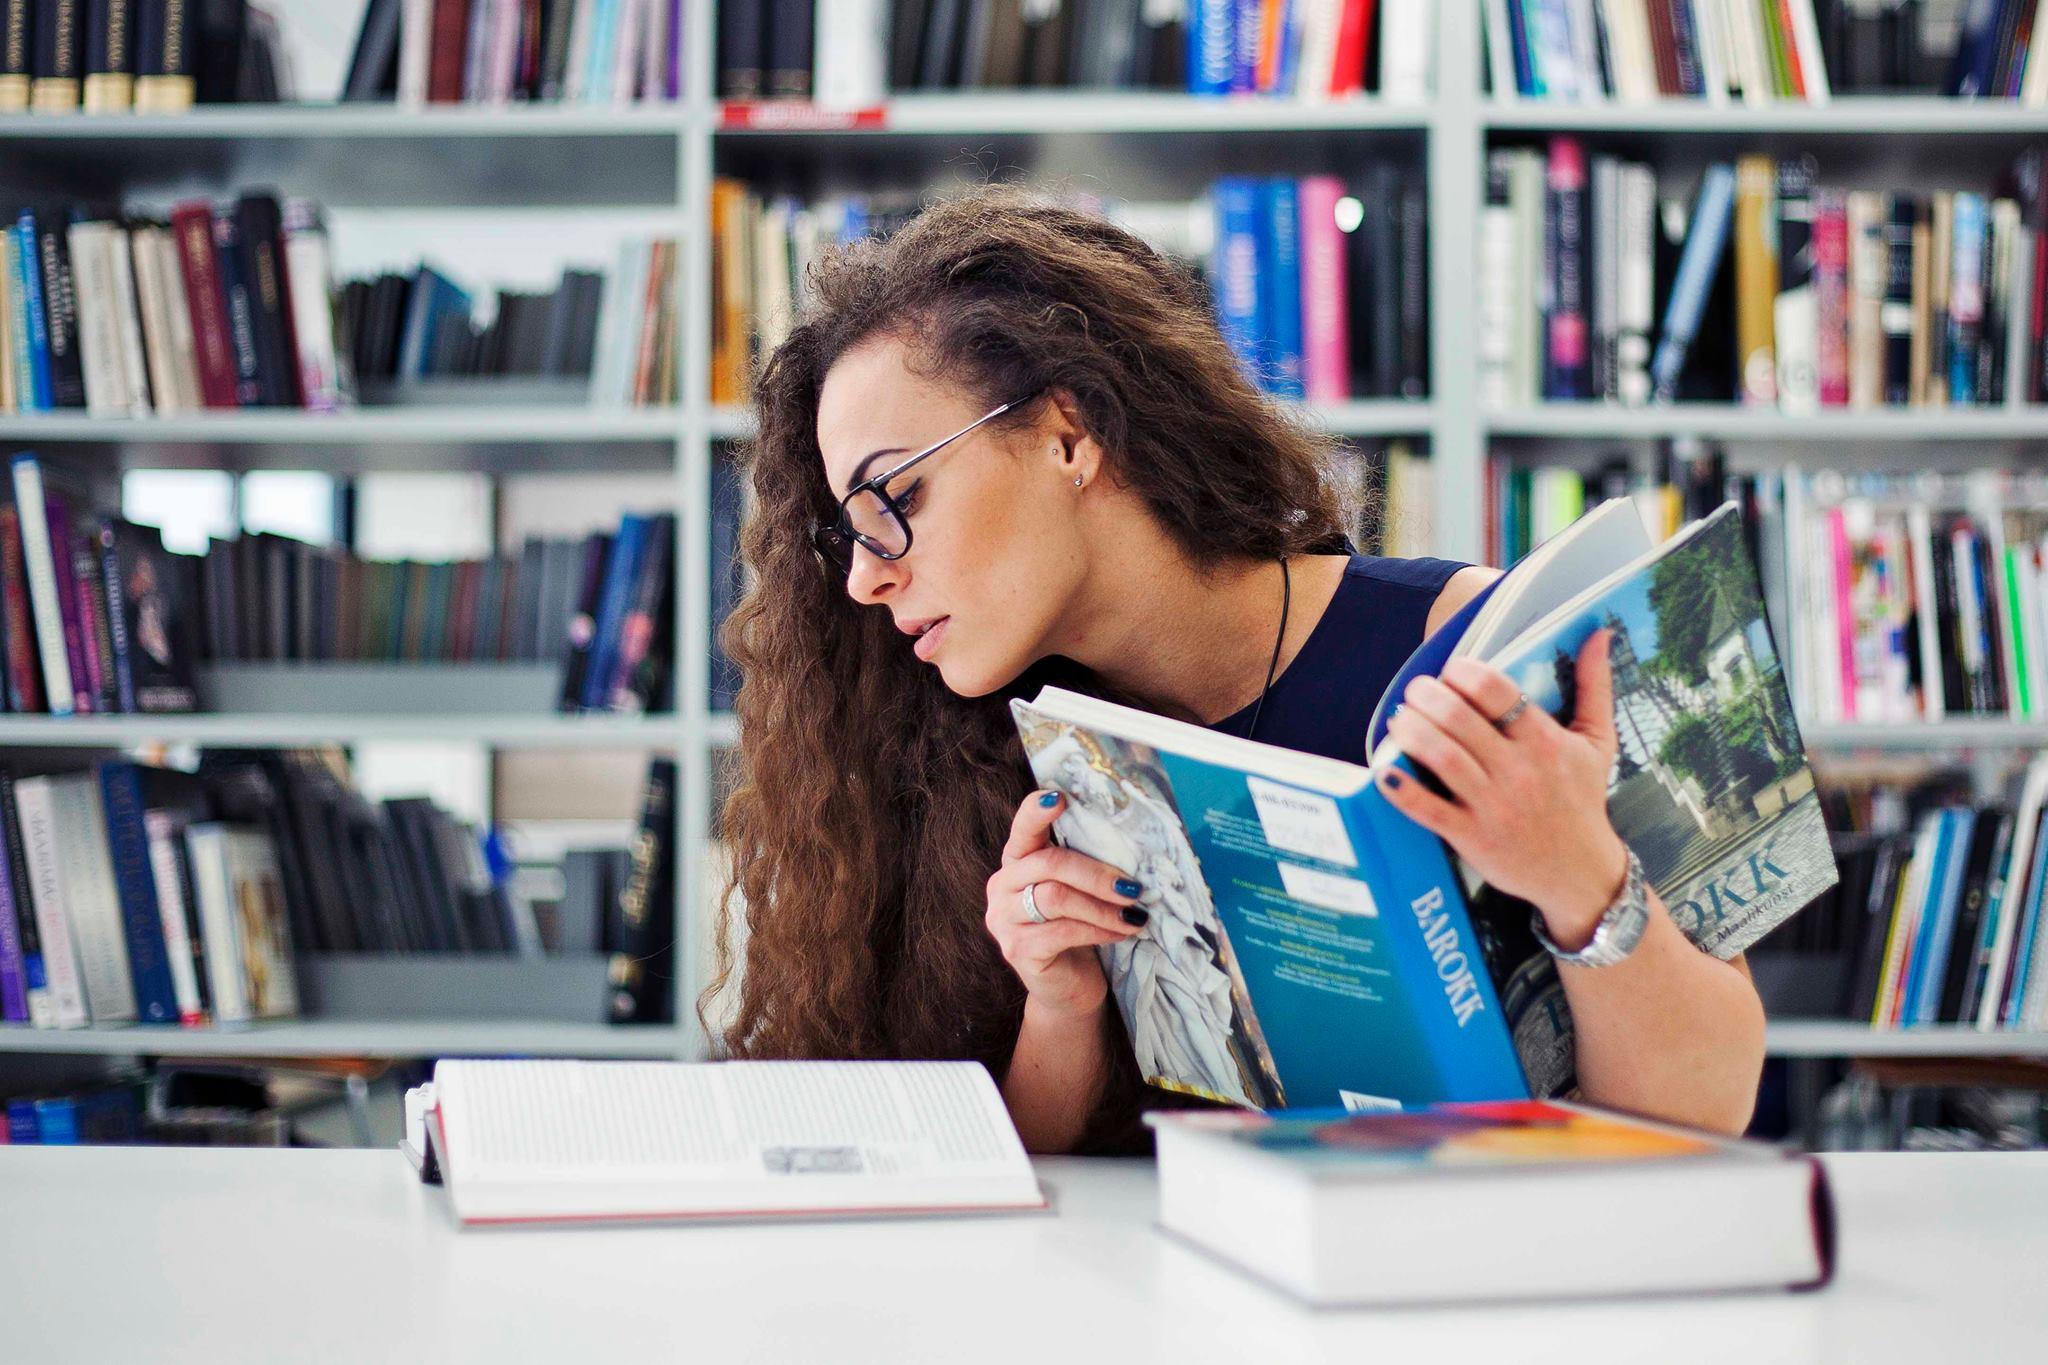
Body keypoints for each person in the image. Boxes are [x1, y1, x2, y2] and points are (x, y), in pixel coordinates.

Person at [705, 186, 1769, 1153]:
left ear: (1066, 434)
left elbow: (1708, 1109)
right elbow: (1033, 1189)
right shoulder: (979, 757)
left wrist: (1578, 877)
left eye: (893, 501)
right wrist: (1060, 1006)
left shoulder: (1488, 650)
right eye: (850, 536)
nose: (864, 583)